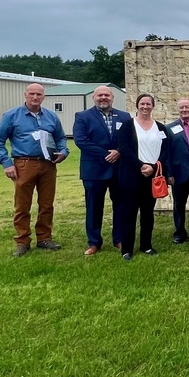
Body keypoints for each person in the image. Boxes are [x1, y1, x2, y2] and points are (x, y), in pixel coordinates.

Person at [0, 83, 69, 256]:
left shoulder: (51, 116)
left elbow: (60, 138)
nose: (35, 97)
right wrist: (6, 163)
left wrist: (64, 152)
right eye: (32, 94)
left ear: (44, 97)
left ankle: (44, 238)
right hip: (24, 164)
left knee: (46, 204)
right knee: (22, 205)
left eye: (39, 94)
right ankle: (22, 241)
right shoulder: (12, 116)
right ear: (25, 95)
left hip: (48, 165)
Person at [73, 85, 130, 255]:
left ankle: (119, 239)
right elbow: (81, 141)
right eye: (100, 95)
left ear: (112, 97)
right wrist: (106, 154)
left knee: (120, 205)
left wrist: (119, 152)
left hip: (119, 169)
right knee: (93, 207)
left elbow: (129, 139)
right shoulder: (83, 116)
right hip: (94, 169)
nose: (103, 98)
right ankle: (94, 242)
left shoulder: (124, 116)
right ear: (93, 98)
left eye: (107, 95)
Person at [116, 93, 171, 261]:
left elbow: (166, 150)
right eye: (142, 103)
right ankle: (127, 249)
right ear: (137, 105)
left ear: (153, 106)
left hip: (152, 176)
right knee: (129, 213)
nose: (145, 106)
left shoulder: (161, 128)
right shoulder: (127, 126)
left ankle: (146, 245)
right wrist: (141, 165)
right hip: (132, 174)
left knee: (148, 213)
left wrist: (153, 167)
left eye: (148, 104)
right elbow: (124, 149)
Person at [166, 97, 189, 244]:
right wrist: (169, 173)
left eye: (187, 107)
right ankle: (180, 232)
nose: (184, 110)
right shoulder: (170, 128)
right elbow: (166, 152)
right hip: (179, 171)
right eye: (181, 108)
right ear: (178, 110)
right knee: (179, 204)